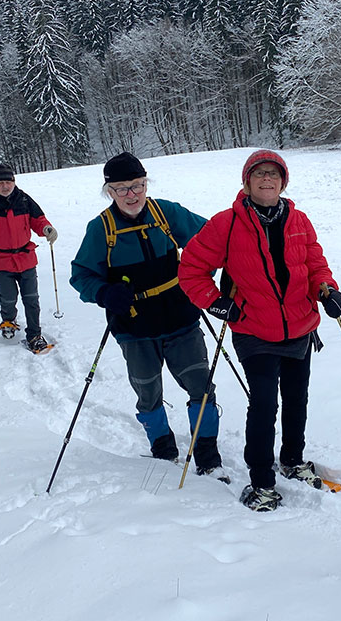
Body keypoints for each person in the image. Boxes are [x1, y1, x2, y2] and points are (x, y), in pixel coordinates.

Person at [178, 150, 341, 512]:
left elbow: (315, 264)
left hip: (300, 326)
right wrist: (218, 303)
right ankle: (261, 482)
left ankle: (292, 460)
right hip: (254, 329)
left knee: (297, 400)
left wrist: (327, 290)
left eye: (274, 174)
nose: (267, 180)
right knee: (265, 403)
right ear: (247, 181)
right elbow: (191, 269)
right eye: (260, 174)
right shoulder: (226, 224)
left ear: (283, 181)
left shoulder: (299, 220)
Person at [69, 152, 228, 480]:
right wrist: (104, 293)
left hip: (180, 317)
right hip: (134, 326)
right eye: (122, 188)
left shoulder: (165, 213)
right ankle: (163, 447)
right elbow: (81, 274)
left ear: (146, 183)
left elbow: (211, 241)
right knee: (148, 391)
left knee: (200, 385)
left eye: (138, 185)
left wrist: (202, 275)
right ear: (109, 191)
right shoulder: (101, 229)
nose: (132, 194)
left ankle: (208, 454)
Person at [0, 163, 57, 354]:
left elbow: (38, 220)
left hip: (26, 257)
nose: (5, 186)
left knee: (31, 298)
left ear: (14, 182)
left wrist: (47, 229)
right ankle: (9, 320)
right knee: (8, 297)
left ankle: (34, 335)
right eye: (0, 182)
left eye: (8, 182)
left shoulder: (23, 199)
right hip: (0, 260)